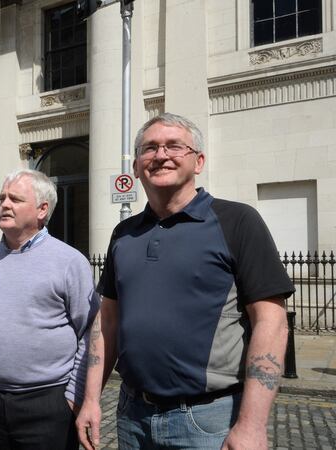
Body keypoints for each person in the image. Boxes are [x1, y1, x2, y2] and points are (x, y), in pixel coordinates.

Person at [75, 112, 295, 450]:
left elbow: (272, 322)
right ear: (136, 167)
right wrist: (91, 399)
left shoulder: (237, 221)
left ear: (198, 161)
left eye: (174, 146)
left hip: (208, 421)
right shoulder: (124, 234)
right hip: (132, 416)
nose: (161, 155)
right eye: (149, 148)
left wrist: (252, 425)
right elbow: (107, 322)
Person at [0, 169, 99, 450]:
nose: (4, 204)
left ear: (42, 210)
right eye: (2, 197)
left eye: (15, 198)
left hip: (47, 404)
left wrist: (75, 392)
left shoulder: (69, 262)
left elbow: (89, 331)